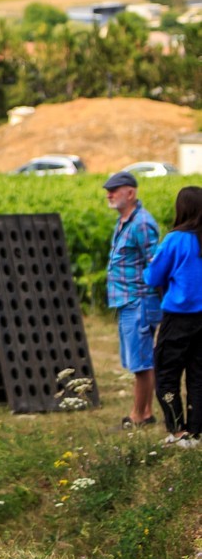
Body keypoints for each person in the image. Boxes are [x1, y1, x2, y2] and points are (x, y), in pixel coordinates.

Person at [144, 186, 202, 445]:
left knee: (167, 373)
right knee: (199, 375)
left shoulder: (176, 239)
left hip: (179, 318)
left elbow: (153, 277)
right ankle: (197, 432)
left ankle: (178, 431)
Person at [105, 170, 161, 429]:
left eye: (114, 189)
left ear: (131, 192)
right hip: (128, 301)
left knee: (140, 362)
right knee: (139, 360)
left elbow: (155, 265)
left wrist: (150, 296)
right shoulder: (125, 221)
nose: (109, 194)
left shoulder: (141, 223)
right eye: (108, 190)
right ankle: (145, 411)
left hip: (139, 300)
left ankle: (139, 416)